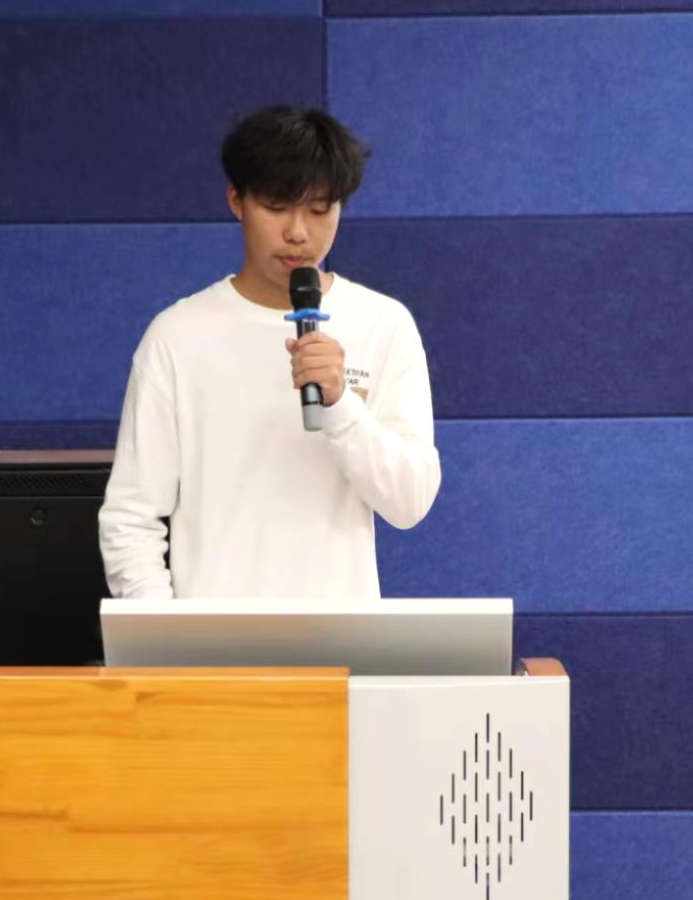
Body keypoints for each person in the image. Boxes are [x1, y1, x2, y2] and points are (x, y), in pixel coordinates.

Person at [98, 105, 441, 599]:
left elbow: (410, 502)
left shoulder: (384, 324)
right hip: (210, 642)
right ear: (236, 202)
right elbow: (131, 519)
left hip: (342, 638)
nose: (298, 232)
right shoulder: (177, 336)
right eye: (278, 207)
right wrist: (167, 635)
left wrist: (342, 404)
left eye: (319, 210)